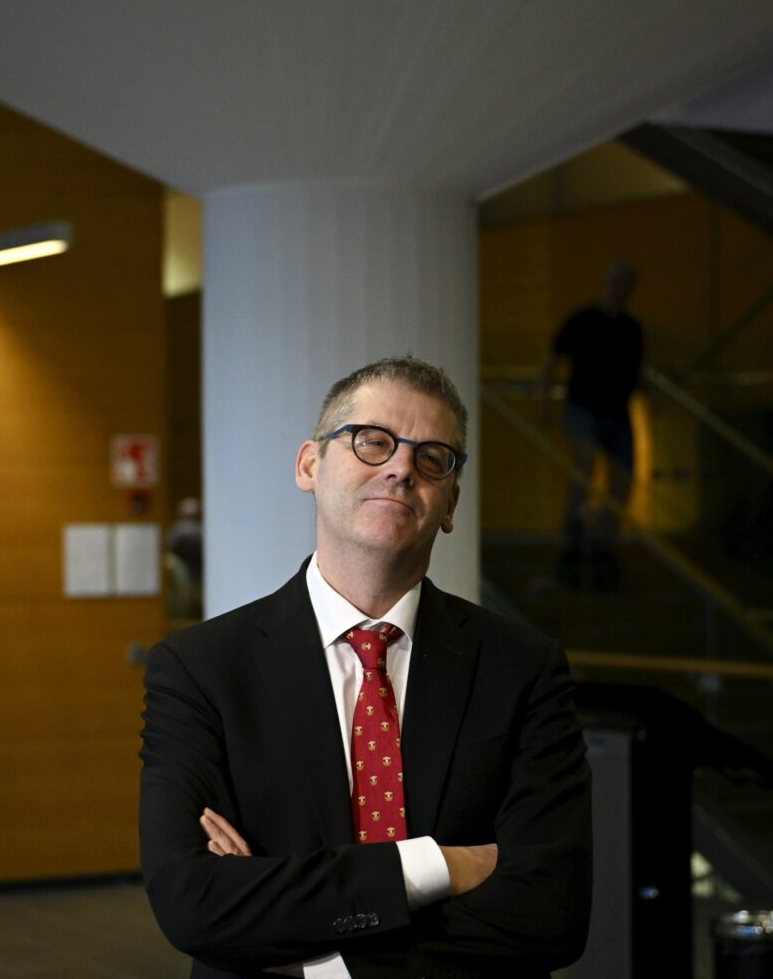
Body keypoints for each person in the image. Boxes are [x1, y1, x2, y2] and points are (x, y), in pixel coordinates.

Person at [139, 356, 592, 978]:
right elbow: (193, 904)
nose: (402, 468)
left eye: (432, 458)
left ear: (451, 503)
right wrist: (443, 866)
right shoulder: (200, 669)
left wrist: (306, 947)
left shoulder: (522, 669)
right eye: (373, 442)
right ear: (310, 465)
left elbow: (550, 913)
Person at [540, 261, 644, 573]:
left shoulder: (631, 328)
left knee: (622, 480)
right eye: (616, 282)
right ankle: (573, 535)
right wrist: (545, 402)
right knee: (583, 470)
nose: (619, 289)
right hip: (582, 407)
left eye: (625, 284)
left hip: (616, 411)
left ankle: (602, 541)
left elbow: (635, 371)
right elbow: (552, 361)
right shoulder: (582, 320)